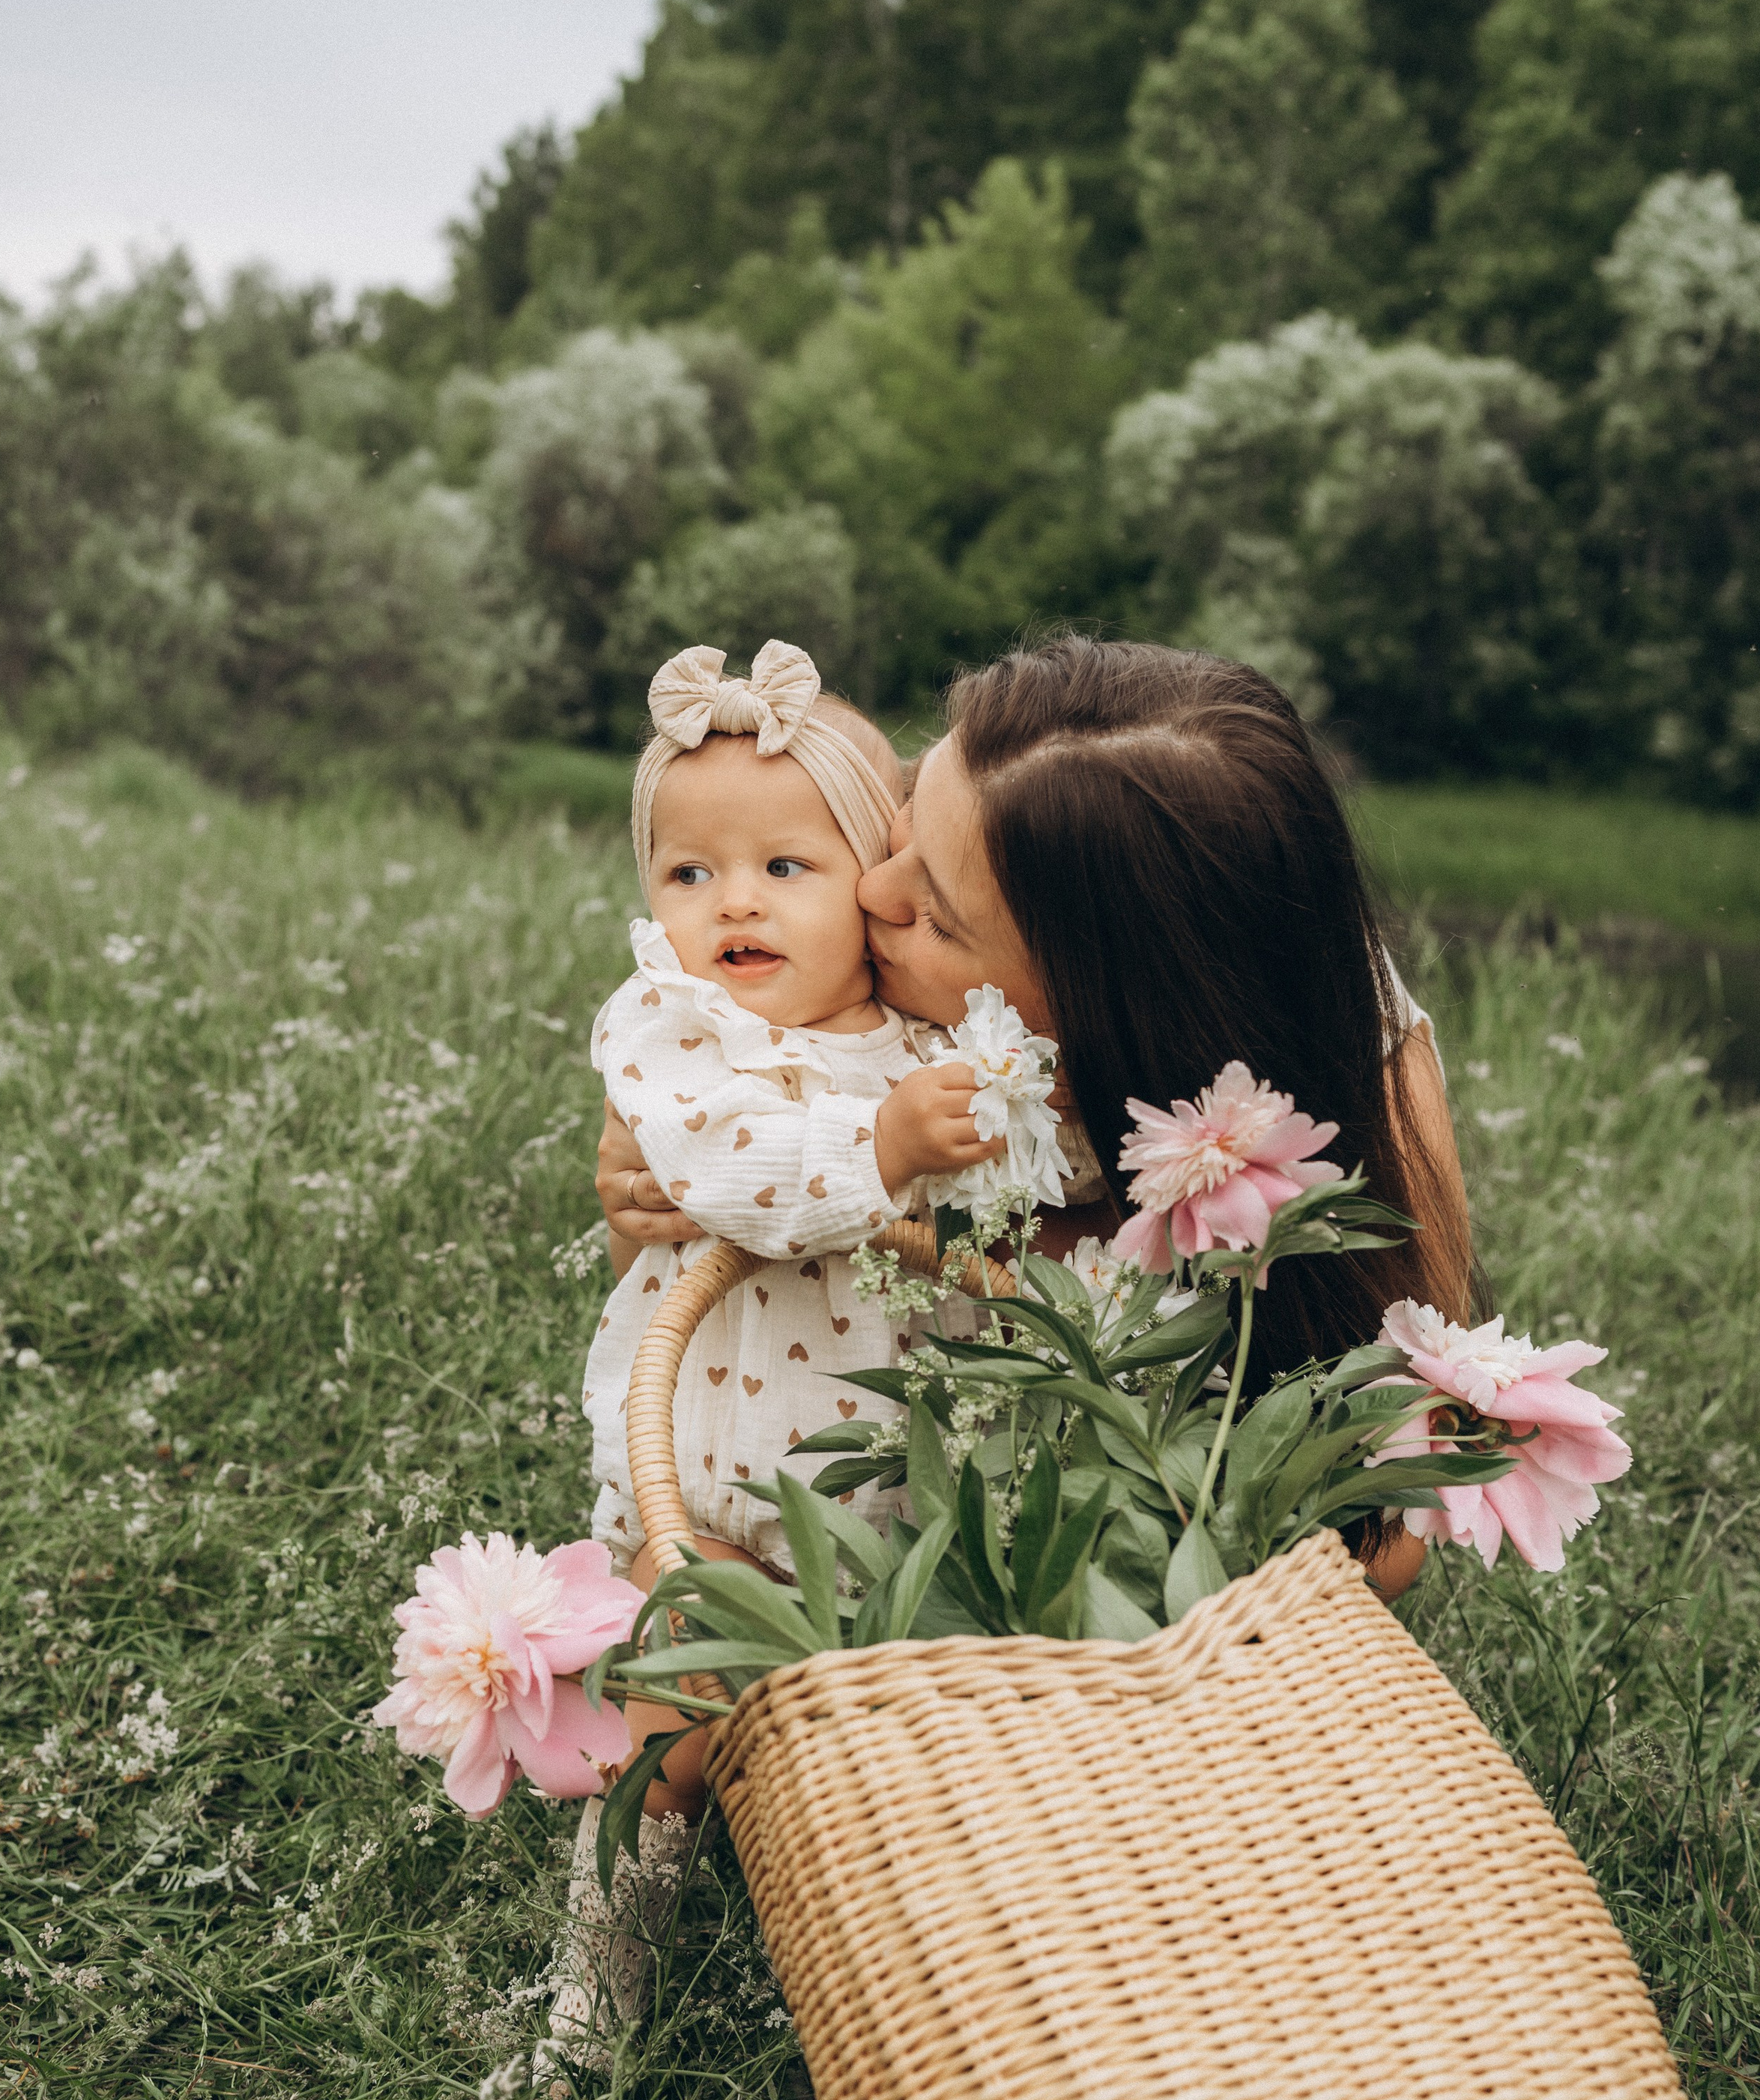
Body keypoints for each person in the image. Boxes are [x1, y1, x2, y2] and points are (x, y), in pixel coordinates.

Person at [599, 636, 1475, 1599]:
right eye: (898, 824)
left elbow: (1378, 1521)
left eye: (935, 915)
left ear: (1098, 1017)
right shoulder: (791, 1034)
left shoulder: (1346, 1059)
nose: (866, 891)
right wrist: (678, 1183)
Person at [583, 636, 1000, 1585]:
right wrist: (884, 1144)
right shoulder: (676, 1028)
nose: (734, 904)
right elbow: (728, 1170)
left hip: (890, 1482)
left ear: (873, 880)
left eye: (783, 868)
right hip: (703, 1478)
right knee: (680, 1655)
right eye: (689, 874)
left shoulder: (926, 1038)